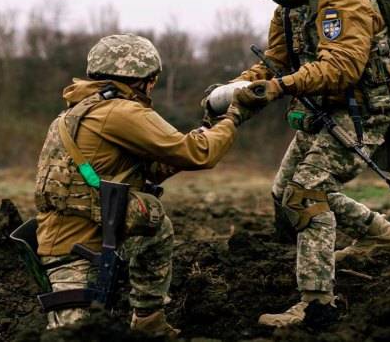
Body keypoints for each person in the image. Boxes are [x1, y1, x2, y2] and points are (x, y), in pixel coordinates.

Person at [34, 33, 266, 338]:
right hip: (76, 251)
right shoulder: (120, 111)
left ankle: (148, 320)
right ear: (144, 79)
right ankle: (145, 320)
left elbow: (153, 168)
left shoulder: (78, 111)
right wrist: (233, 118)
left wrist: (209, 127)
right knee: (76, 334)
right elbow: (198, 153)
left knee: (155, 226)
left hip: (72, 238)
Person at [230, 0, 390, 326]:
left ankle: (316, 304)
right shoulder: (290, 9)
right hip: (324, 110)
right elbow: (274, 63)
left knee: (306, 193)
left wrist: (277, 87)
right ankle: (380, 234)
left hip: (363, 110)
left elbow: (341, 67)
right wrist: (236, 90)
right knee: (284, 192)